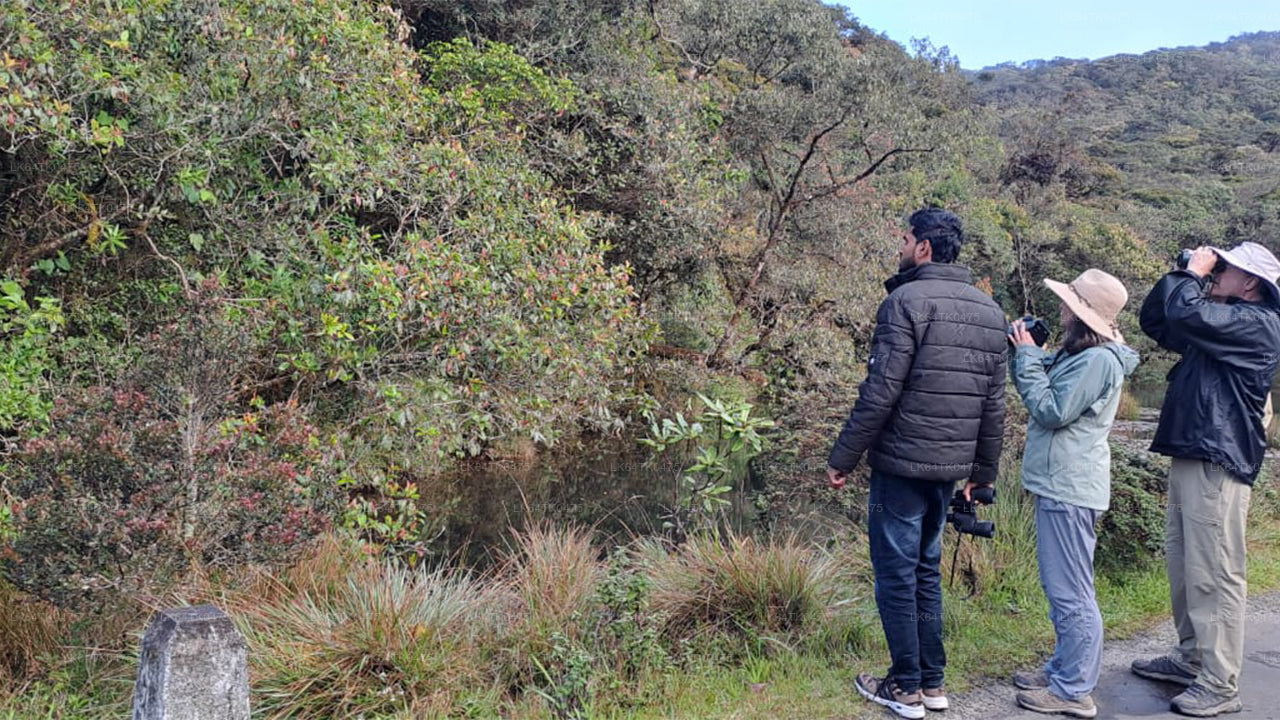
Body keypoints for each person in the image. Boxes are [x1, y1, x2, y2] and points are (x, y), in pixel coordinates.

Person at [827, 207, 1007, 719]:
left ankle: (904, 687)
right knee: (925, 569)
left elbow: (880, 391)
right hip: (950, 470)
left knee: (895, 573)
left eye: (905, 239)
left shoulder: (903, 301)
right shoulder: (989, 312)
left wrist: (843, 456)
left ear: (924, 247)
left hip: (903, 466)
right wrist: (983, 474)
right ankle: (932, 683)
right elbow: (994, 406)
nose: (901, 247)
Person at [1132, 242, 1280, 717]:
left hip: (1219, 459)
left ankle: (1219, 683)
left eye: (1226, 267)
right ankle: (1191, 655)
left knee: (1215, 571)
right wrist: (1184, 272)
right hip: (1195, 451)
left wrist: (1195, 276)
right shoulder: (1219, 321)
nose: (1217, 271)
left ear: (1251, 283)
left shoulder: (1258, 325)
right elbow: (1159, 321)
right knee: (1184, 563)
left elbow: (1187, 313)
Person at [1008, 270, 1140, 718]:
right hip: (1065, 484)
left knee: (1071, 592)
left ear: (1081, 312)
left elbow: (1051, 410)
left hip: (1070, 487)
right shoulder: (1083, 354)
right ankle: (1064, 669)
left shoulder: (1097, 361)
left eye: (1067, 301)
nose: (1060, 306)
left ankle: (1073, 690)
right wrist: (1030, 354)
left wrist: (1028, 359)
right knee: (1063, 585)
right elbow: (1048, 392)